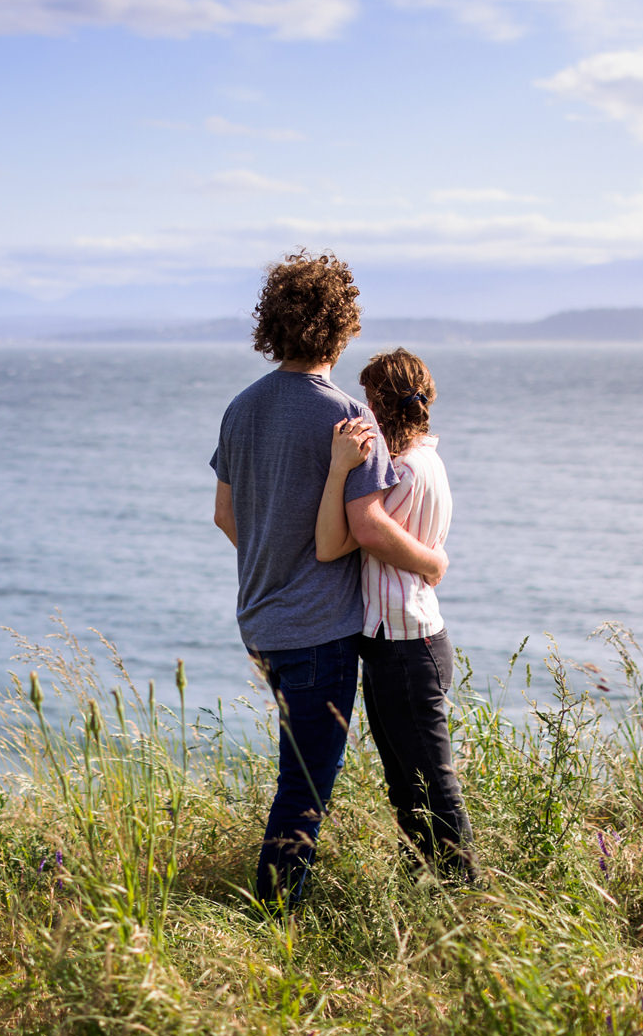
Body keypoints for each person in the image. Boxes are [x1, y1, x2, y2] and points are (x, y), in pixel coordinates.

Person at [211, 251, 447, 911]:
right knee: (306, 787)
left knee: (300, 774)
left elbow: (225, 516)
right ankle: (273, 920)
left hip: (260, 623)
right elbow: (363, 529)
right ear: (342, 328)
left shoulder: (239, 408)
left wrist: (277, 558)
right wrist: (431, 564)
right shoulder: (349, 418)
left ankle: (277, 911)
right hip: (320, 630)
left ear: (272, 324)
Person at [314, 348, 476, 883]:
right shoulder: (428, 459)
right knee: (408, 781)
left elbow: (358, 534)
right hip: (409, 638)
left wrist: (341, 470)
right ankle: (425, 885)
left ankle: (467, 892)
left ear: (379, 403)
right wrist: (433, 561)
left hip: (404, 642)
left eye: (366, 398)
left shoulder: (400, 468)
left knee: (429, 782)